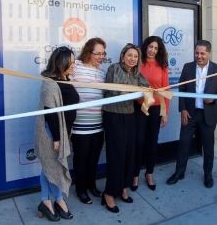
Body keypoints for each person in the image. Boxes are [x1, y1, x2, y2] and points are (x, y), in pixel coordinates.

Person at [101, 43, 149, 213]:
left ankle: (123, 188)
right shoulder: (114, 68)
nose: (132, 59)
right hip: (113, 116)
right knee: (116, 154)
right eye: (129, 55)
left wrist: (149, 92)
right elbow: (109, 92)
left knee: (129, 152)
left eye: (135, 56)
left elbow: (147, 88)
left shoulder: (136, 73)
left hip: (129, 116)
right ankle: (109, 193)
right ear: (123, 56)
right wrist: (127, 92)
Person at [35, 46, 79, 222]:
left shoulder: (65, 80)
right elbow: (51, 113)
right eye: (71, 63)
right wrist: (57, 138)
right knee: (52, 166)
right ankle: (56, 200)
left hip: (63, 131)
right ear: (61, 63)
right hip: (52, 133)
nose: (74, 66)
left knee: (50, 167)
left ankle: (46, 201)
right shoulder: (50, 83)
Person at [166, 40, 217, 188]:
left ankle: (208, 175)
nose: (199, 56)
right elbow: (181, 89)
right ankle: (179, 173)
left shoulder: (216, 69)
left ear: (209, 52)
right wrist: (183, 108)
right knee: (183, 144)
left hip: (208, 115)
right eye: (197, 53)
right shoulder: (188, 68)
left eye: (202, 53)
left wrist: (212, 101)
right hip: (190, 113)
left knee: (208, 147)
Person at [71, 37, 106, 204]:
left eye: (103, 53)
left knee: (93, 159)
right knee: (81, 159)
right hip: (80, 125)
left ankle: (92, 185)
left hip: (98, 125)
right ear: (88, 52)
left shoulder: (102, 72)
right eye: (97, 53)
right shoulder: (76, 67)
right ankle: (81, 189)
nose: (100, 56)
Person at [132, 36, 169, 191]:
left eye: (156, 48)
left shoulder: (163, 65)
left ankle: (149, 173)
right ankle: (134, 175)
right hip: (139, 109)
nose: (153, 50)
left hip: (155, 109)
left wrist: (165, 112)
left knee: (152, 142)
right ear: (146, 47)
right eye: (151, 47)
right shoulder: (138, 63)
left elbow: (165, 90)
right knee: (138, 142)